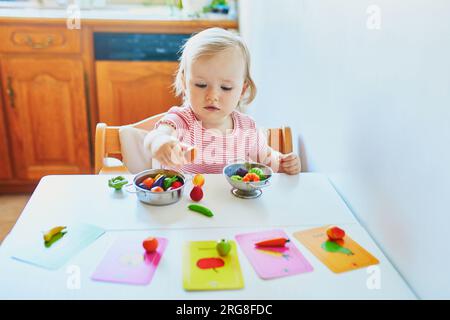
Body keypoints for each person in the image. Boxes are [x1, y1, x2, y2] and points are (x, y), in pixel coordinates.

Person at [144, 28, 301, 175]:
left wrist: (282, 163)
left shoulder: (247, 128)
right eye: (201, 85)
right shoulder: (181, 120)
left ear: (242, 90)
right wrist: (160, 142)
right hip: (185, 202)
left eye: (226, 87)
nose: (212, 96)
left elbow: (267, 159)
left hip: (232, 202)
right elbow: (155, 136)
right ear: (185, 83)